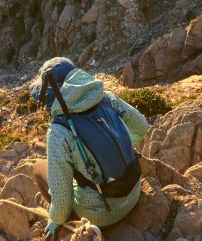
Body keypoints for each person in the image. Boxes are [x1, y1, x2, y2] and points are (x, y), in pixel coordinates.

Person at [29, 57, 150, 240]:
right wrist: (113, 149)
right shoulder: (106, 98)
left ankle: (65, 223)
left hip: (100, 216)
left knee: (39, 167)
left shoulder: (59, 131)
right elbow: (141, 126)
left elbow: (62, 205)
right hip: (133, 194)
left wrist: (56, 219)